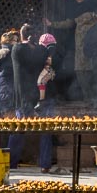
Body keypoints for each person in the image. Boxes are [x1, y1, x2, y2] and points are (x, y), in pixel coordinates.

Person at [47, 0, 97, 100]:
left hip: (93, 47)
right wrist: (52, 24)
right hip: (79, 47)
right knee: (81, 74)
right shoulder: (77, 8)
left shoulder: (95, 6)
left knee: (93, 75)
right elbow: (70, 23)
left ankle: (94, 101)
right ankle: (87, 99)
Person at [8, 24, 46, 169]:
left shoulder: (17, 49)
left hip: (22, 95)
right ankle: (44, 164)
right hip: (39, 95)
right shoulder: (41, 51)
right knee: (45, 130)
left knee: (18, 130)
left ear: (22, 35)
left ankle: (11, 162)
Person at [35, 32, 64, 173]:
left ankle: (45, 163)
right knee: (48, 131)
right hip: (51, 98)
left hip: (44, 99)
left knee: (45, 131)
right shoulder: (58, 54)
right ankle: (45, 162)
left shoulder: (42, 54)